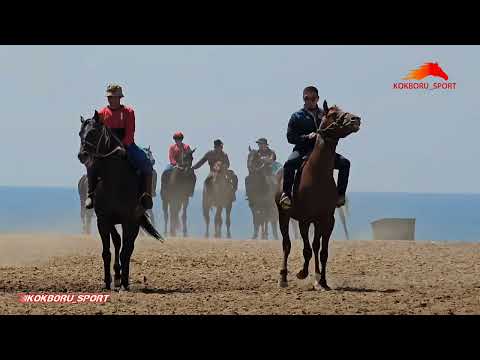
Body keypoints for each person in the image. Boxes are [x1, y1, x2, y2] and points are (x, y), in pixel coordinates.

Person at [279, 85, 350, 209]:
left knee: (345, 163)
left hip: (323, 151)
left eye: (312, 98)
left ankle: (340, 195)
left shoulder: (325, 114)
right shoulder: (296, 116)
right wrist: (306, 137)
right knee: (289, 163)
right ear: (303, 99)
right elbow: (290, 138)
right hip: (303, 149)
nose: (309, 101)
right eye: (306, 98)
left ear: (317, 99)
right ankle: (286, 195)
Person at [85, 84, 154, 210]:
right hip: (106, 149)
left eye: (114, 97)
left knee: (146, 163)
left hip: (126, 146)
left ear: (119, 98)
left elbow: (130, 132)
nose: (111, 99)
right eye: (109, 97)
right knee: (90, 163)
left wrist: (123, 146)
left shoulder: (129, 112)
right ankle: (90, 195)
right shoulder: (101, 114)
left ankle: (146, 196)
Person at [160, 132, 195, 198]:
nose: (178, 140)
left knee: (193, 175)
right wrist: (175, 164)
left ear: (182, 139)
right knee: (165, 171)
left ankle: (191, 191)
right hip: (174, 165)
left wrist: (188, 165)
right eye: (176, 139)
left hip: (184, 165)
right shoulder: (172, 147)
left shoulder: (186, 147)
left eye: (179, 138)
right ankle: (163, 191)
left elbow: (190, 157)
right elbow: (171, 157)